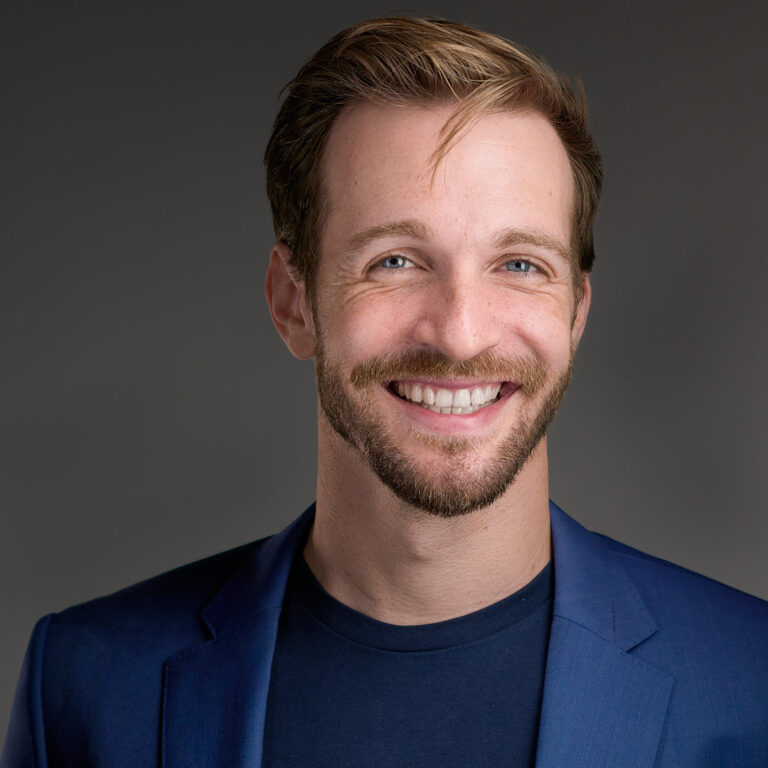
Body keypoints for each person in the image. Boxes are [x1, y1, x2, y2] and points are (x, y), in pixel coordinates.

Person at [3, 16, 767, 768]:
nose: (460, 335)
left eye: (521, 265)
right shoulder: (85, 687)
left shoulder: (750, 683)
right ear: (292, 303)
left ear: (576, 313)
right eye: (395, 261)